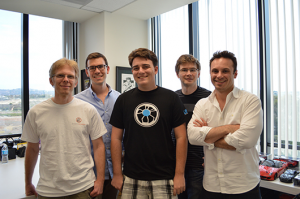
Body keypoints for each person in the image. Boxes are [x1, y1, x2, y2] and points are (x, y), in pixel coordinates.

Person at [22, 58, 107, 199]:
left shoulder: (88, 110)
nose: (66, 80)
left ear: (76, 82)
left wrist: (100, 180)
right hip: (48, 190)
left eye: (70, 76)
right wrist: (28, 182)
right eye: (60, 75)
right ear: (51, 81)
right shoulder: (36, 112)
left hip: (83, 187)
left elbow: (99, 146)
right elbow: (32, 149)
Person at [110, 48, 188, 199]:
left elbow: (181, 137)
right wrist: (117, 173)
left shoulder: (171, 98)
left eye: (145, 66)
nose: (141, 71)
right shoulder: (123, 100)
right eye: (135, 68)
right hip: (131, 176)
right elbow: (115, 138)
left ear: (155, 69)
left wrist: (179, 174)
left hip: (165, 176)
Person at [187, 50, 263, 199]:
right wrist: (229, 128)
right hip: (211, 185)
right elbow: (192, 137)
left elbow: (246, 140)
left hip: (244, 186)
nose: (219, 75)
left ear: (235, 74)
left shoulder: (250, 101)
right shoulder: (202, 104)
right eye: (215, 71)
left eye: (225, 71)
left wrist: (208, 138)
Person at [75, 52, 120, 199]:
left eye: (100, 66)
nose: (97, 71)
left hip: (116, 170)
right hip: (88, 172)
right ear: (87, 72)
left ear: (107, 69)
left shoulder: (120, 99)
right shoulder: (77, 101)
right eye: (92, 68)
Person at [174, 54, 211, 199]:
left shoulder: (208, 97)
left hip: (199, 164)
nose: (188, 73)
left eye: (192, 70)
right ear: (177, 74)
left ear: (199, 73)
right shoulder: (173, 98)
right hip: (177, 164)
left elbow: (212, 130)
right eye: (184, 70)